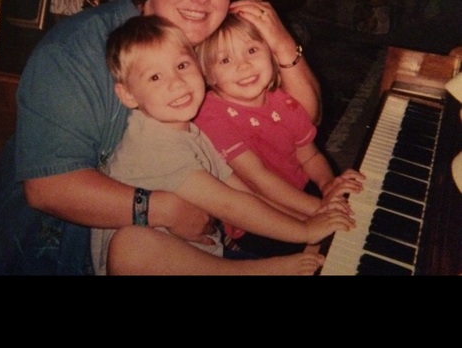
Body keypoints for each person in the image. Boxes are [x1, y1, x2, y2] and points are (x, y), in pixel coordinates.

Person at [0, 0, 323, 276]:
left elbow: (304, 118)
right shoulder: (75, 51)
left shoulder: (207, 42)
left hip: (185, 236)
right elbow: (49, 189)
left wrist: (282, 43)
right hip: (56, 248)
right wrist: (162, 209)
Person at [91, 14, 355, 275]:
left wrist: (312, 217)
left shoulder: (191, 129)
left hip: (199, 255)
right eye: (155, 78)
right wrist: (305, 230)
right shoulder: (153, 146)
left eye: (182, 66)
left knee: (324, 249)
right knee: (130, 245)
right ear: (128, 94)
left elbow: (244, 193)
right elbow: (230, 206)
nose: (177, 83)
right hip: (143, 266)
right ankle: (252, 271)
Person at [194, 13, 365, 257]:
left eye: (252, 50)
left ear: (272, 55)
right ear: (208, 74)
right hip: (258, 212)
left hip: (298, 189)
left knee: (356, 211)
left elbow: (309, 156)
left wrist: (328, 185)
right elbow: (259, 179)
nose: (244, 65)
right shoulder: (210, 114)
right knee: (327, 247)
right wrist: (319, 208)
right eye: (225, 60)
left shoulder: (284, 101)